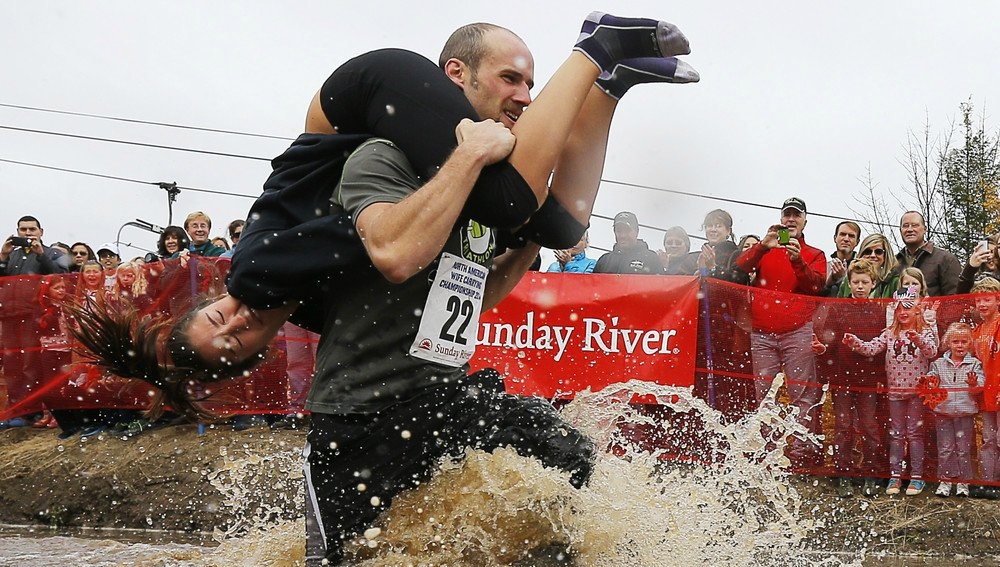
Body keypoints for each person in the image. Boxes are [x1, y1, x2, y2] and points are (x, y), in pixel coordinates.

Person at [70, 12, 700, 419]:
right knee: (557, 227)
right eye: (238, 338)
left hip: (361, 94)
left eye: (217, 316)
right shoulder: (316, 308)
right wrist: (517, 247)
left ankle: (595, 47)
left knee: (506, 198)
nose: (237, 317)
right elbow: (442, 273)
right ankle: (611, 85)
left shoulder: (258, 272)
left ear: (210, 297)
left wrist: (475, 201)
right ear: (263, 351)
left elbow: (395, 249)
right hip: (390, 141)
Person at [733, 197, 826, 466]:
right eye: (787, 216)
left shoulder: (814, 254)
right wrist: (762, 246)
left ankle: (801, 453)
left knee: (803, 393)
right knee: (765, 394)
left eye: (796, 216)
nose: (791, 220)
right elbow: (739, 270)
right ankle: (769, 451)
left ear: (805, 220)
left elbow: (817, 288)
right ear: (781, 219)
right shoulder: (767, 249)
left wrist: (798, 261)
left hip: (797, 331)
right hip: (762, 333)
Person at [845, 286, 939, 495]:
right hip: (895, 393)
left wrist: (918, 339)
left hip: (917, 393)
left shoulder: (924, 331)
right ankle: (895, 476)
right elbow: (871, 348)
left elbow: (932, 351)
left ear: (917, 310)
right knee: (896, 434)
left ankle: (916, 477)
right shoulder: (890, 334)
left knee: (914, 434)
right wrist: (855, 343)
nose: (903, 312)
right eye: (899, 309)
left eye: (908, 308)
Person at [811, 258, 886, 497]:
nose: (860, 286)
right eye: (856, 282)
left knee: (869, 427)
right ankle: (844, 472)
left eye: (865, 282)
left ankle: (870, 473)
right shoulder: (838, 307)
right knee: (843, 427)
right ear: (849, 283)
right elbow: (829, 343)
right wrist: (823, 353)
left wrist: (881, 377)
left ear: (873, 283)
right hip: (842, 378)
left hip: (869, 380)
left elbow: (883, 346)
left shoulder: (880, 310)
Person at [0, 215, 71, 427]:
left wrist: (42, 256)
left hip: (36, 317)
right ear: (17, 232)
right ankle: (17, 410)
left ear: (41, 231)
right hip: (9, 316)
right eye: (23, 230)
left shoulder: (53, 253)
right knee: (12, 365)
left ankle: (33, 410)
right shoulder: (11, 254)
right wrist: (3, 256)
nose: (28, 233)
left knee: (31, 365)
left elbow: (62, 278)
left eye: (32, 229)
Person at [925, 322, 983, 497]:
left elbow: (980, 385)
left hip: (965, 413)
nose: (959, 345)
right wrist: (929, 381)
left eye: (964, 342)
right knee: (945, 448)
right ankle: (945, 480)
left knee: (963, 449)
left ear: (970, 344)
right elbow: (931, 380)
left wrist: (974, 384)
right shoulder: (939, 363)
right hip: (943, 412)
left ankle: (963, 482)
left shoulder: (974, 364)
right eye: (955, 341)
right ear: (948, 343)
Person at [970, 277, 1000, 494]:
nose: (982, 304)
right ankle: (988, 480)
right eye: (978, 300)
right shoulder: (977, 330)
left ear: (997, 300)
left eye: (987, 299)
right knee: (988, 438)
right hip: (986, 392)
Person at [895, 210, 961, 297]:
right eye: (905, 226)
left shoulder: (945, 259)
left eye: (915, 225)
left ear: (925, 229)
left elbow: (954, 297)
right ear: (900, 230)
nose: (910, 229)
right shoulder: (894, 262)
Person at [593, 211, 664, 274]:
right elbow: (593, 286)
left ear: (637, 231)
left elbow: (661, 287)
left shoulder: (651, 258)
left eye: (627, 230)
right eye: (619, 231)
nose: (623, 235)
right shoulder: (604, 261)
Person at [836, 233, 898, 298]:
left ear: (886, 255)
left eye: (878, 252)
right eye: (868, 251)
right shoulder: (849, 278)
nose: (873, 255)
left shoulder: (894, 281)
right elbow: (839, 305)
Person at [696, 209, 743, 282]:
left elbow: (740, 281)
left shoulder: (736, 254)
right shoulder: (699, 255)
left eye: (718, 226)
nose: (713, 230)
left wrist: (713, 267)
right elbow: (705, 284)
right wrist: (701, 271)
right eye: (710, 226)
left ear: (728, 231)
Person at [824, 221, 861, 296]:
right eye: (842, 234)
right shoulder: (823, 267)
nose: (846, 239)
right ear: (835, 238)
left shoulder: (863, 269)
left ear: (857, 242)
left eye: (851, 236)